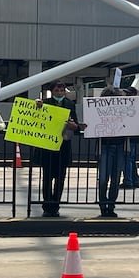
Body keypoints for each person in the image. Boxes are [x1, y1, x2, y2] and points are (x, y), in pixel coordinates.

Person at [35, 80, 83, 217]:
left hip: (63, 146)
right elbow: (36, 117)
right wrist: (37, 105)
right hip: (48, 147)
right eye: (57, 91)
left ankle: (55, 204)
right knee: (47, 178)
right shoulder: (44, 103)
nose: (60, 93)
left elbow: (76, 125)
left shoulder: (70, 104)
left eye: (62, 91)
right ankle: (47, 205)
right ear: (52, 91)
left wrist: (74, 126)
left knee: (60, 178)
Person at [97, 85, 127, 217]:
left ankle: (111, 205)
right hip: (105, 146)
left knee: (116, 178)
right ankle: (103, 204)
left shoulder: (125, 112)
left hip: (120, 145)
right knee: (103, 178)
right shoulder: (98, 111)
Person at [119, 86, 139, 190]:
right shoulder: (132, 105)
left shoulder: (134, 105)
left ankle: (128, 180)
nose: (126, 95)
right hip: (131, 135)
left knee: (127, 158)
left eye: (129, 93)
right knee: (131, 159)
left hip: (130, 136)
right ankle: (135, 180)